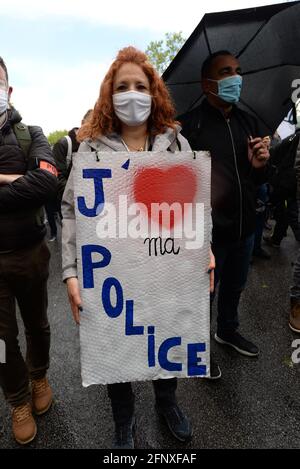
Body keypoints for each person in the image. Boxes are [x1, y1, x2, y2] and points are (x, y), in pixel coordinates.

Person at [62, 46, 213, 449]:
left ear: (154, 92)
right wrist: (71, 273)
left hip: (165, 270)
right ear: (109, 95)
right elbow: (71, 212)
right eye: (123, 86)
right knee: (115, 340)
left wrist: (205, 250)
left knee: (168, 330)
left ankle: (168, 401)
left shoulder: (176, 144)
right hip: (112, 273)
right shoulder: (90, 150)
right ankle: (123, 417)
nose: (132, 94)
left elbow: (194, 205)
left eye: (141, 86)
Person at [180, 51, 270, 358]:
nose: (236, 78)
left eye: (238, 70)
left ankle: (227, 330)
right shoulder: (189, 127)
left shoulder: (249, 121)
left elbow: (259, 180)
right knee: (205, 292)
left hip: (245, 228)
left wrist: (260, 165)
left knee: (235, 287)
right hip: (207, 236)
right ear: (208, 84)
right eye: (226, 72)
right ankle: (198, 347)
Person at [0, 57, 57, 444]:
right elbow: (32, 182)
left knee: (38, 325)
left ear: (8, 89)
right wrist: (16, 179)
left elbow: (47, 183)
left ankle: (39, 376)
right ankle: (17, 399)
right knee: (2, 341)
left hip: (32, 252)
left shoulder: (31, 133)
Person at [53, 109, 93, 207]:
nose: (95, 128)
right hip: (65, 205)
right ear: (82, 123)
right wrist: (79, 198)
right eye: (92, 123)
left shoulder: (95, 147)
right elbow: (57, 178)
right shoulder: (64, 144)